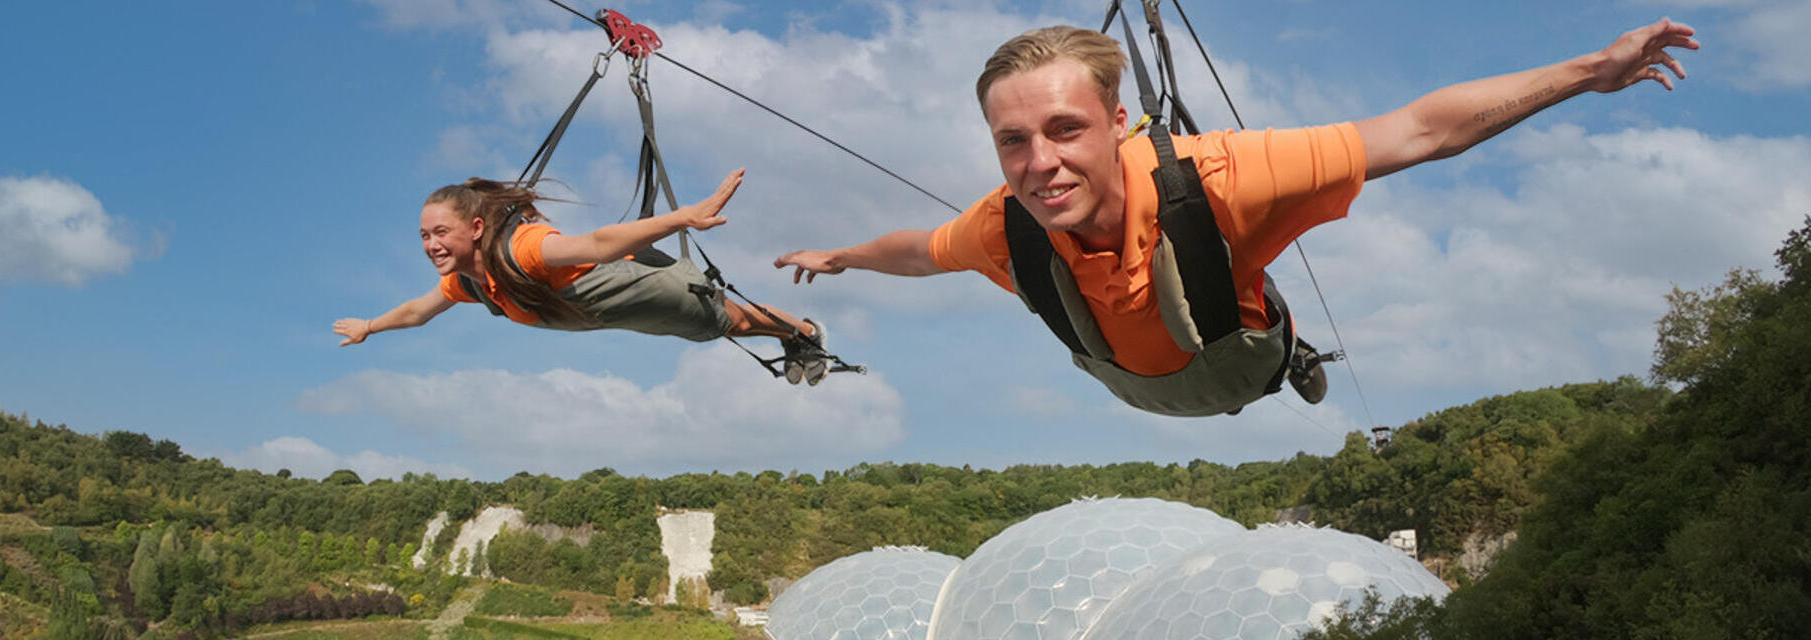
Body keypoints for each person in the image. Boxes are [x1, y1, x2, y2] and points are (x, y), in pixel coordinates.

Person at [774, 19, 1698, 415]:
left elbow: (1418, 130)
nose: (1040, 162)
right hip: (1136, 385)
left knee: (1224, 298)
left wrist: (1586, 74)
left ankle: (1292, 353)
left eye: (1064, 129)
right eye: (1013, 141)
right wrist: (843, 256)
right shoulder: (1002, 225)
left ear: (1120, 122)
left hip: (1236, 362)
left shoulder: (1218, 178)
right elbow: (920, 252)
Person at [335, 168, 838, 385]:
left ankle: (806, 334)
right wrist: (371, 327)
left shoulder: (523, 249)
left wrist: (681, 218)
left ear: (475, 227)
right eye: (423, 237)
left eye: (440, 233)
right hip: (607, 315)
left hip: (622, 287)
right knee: (721, 328)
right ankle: (797, 336)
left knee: (731, 323)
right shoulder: (467, 281)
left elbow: (596, 245)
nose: (431, 245)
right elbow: (419, 311)